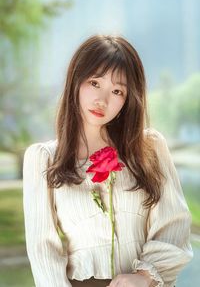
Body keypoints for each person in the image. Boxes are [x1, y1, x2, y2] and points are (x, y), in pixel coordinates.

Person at [23, 35, 193, 287]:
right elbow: (43, 251)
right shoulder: (44, 159)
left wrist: (144, 277)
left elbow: (174, 225)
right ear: (76, 82)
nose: (102, 100)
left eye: (117, 91)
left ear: (128, 99)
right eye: (94, 82)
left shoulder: (149, 148)